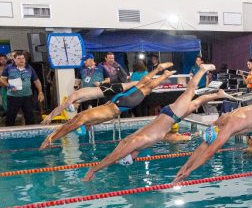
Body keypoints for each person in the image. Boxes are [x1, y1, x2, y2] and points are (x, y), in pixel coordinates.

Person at [82, 64, 225, 181]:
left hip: (171, 115)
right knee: (195, 103)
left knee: (190, 91)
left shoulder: (136, 142)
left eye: (132, 158)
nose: (135, 157)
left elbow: (114, 156)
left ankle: (202, 69)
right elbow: (118, 150)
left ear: (130, 154)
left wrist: (94, 170)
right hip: (168, 115)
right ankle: (217, 94)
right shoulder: (130, 141)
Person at [40, 64, 175, 149]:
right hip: (114, 100)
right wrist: (51, 135)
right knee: (140, 85)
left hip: (119, 104)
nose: (87, 129)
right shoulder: (86, 117)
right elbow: (66, 126)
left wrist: (51, 138)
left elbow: (67, 128)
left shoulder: (84, 118)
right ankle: (159, 70)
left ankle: (163, 74)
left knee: (145, 88)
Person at [0, 52, 44, 126]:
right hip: (13, 97)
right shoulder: (9, 68)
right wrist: (9, 86)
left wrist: (40, 92)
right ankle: (10, 135)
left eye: (23, 58)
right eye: (19, 58)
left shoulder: (29, 68)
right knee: (10, 118)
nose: (21, 60)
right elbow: (2, 79)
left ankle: (31, 134)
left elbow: (36, 81)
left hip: (27, 97)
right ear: (14, 59)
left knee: (30, 118)